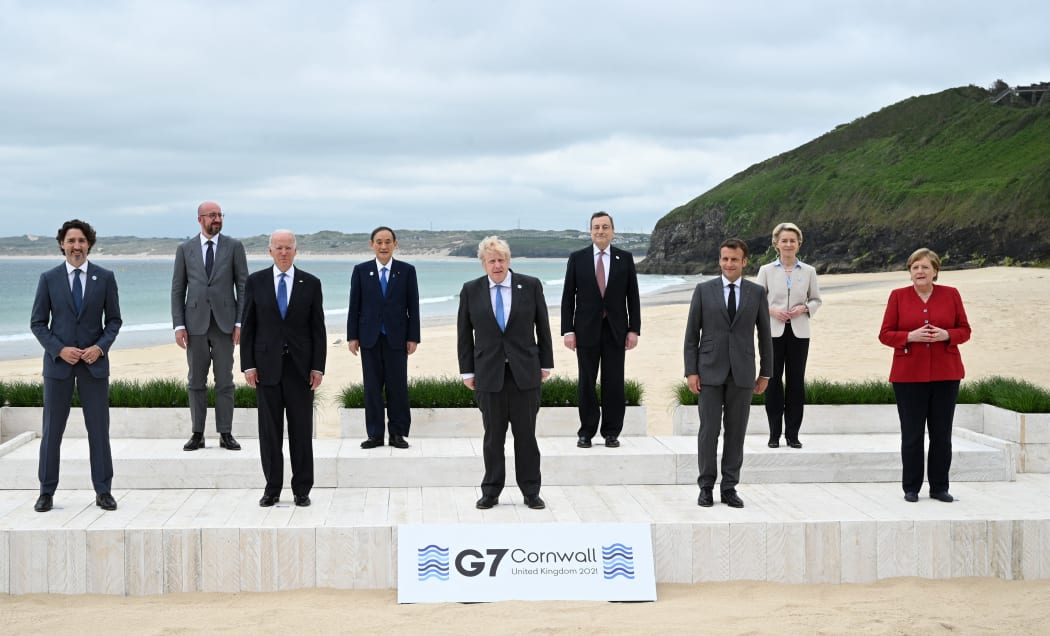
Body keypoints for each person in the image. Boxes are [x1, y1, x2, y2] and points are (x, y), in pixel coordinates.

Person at [30, 219, 122, 513]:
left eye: (81, 241)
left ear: (89, 244)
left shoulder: (105, 278)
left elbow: (115, 321)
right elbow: (38, 323)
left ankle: (103, 491)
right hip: (59, 368)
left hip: (94, 367)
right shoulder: (48, 279)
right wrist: (60, 349)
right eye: (71, 241)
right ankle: (46, 492)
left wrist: (100, 347)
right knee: (52, 431)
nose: (76, 246)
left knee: (98, 431)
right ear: (62, 245)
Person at [457, 236, 554, 511]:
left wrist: (545, 364)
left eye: (501, 259)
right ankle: (491, 491)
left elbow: (543, 327)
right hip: (488, 374)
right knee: (493, 437)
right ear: (483, 264)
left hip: (525, 373)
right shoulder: (470, 290)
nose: (497, 265)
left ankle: (531, 491)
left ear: (508, 261)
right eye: (492, 260)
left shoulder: (531, 285)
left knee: (526, 436)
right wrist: (467, 371)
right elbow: (464, 335)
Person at [240, 230, 327, 508]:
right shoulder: (256, 282)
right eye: (278, 247)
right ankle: (272, 488)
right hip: (266, 370)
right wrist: (248, 365)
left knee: (301, 433)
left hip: (300, 370)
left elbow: (318, 330)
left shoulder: (311, 283)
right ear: (270, 251)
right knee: (270, 433)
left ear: (296, 250)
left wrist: (318, 367)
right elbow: (249, 327)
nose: (284, 252)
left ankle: (302, 489)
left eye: (288, 247)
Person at [683, 238, 772, 509]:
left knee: (736, 433)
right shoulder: (703, 290)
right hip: (708, 371)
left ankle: (730, 487)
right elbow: (691, 335)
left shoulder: (756, 293)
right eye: (724, 259)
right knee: (708, 431)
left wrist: (766, 373)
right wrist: (691, 371)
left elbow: (764, 336)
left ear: (744, 262)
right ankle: (706, 487)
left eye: (734, 259)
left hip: (743, 372)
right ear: (719, 260)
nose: (728, 264)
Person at [879, 248, 971, 503]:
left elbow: (965, 330)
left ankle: (940, 487)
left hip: (946, 374)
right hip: (907, 376)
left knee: (942, 434)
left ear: (935, 271)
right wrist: (909, 336)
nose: (920, 272)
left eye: (925, 267)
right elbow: (885, 334)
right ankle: (911, 488)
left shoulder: (951, 295)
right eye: (915, 267)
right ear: (909, 272)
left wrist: (947, 335)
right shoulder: (897, 297)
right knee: (912, 434)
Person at [170, 200, 249, 452]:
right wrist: (178, 325)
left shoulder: (234, 247)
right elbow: (177, 289)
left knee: (225, 380)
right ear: (200, 219)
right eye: (212, 215)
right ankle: (197, 433)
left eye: (220, 215)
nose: (217, 219)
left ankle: (226, 433)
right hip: (194, 325)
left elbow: (243, 286)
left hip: (225, 324)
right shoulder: (185, 249)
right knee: (196, 381)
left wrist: (240, 322)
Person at [560, 211, 641, 448]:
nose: (601, 231)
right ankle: (586, 432)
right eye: (596, 227)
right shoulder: (578, 258)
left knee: (613, 382)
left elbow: (633, 297)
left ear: (613, 231)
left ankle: (611, 432)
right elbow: (567, 298)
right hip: (585, 330)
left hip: (616, 330)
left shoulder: (624, 258)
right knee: (586, 383)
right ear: (590, 231)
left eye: (605, 227)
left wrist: (633, 329)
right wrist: (568, 330)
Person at [347, 226, 421, 449]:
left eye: (388, 241)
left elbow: (413, 307)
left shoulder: (407, 271)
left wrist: (413, 337)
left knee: (397, 387)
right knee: (372, 388)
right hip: (369, 338)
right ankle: (375, 435)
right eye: (379, 242)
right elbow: (354, 306)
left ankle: (398, 434)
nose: (383, 246)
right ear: (372, 245)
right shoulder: (361, 271)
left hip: (397, 338)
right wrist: (352, 336)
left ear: (395, 244)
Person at [755, 222, 822, 449]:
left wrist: (804, 308)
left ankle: (792, 435)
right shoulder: (766, 271)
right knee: (772, 382)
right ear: (776, 243)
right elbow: (757, 299)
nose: (788, 244)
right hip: (772, 332)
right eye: (784, 240)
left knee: (796, 383)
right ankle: (774, 434)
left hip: (800, 333)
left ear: (799, 244)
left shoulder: (809, 271)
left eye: (792, 240)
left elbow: (816, 300)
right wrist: (772, 310)